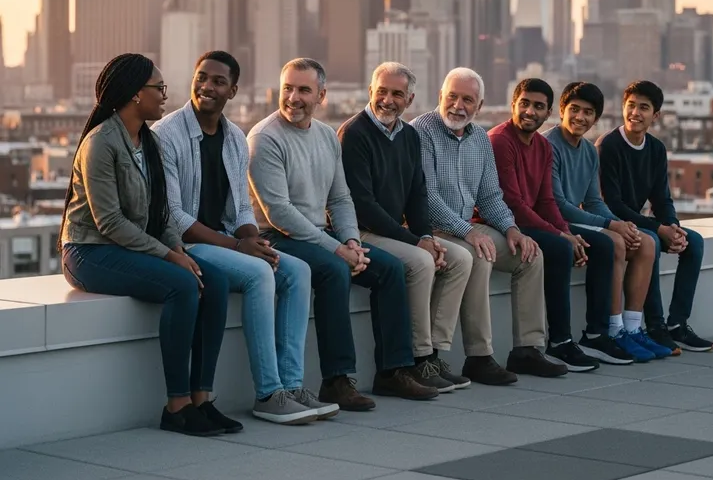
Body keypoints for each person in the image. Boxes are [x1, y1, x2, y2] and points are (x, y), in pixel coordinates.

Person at [59, 54, 240, 437]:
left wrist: (181, 252)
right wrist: (170, 256)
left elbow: (161, 216)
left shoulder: (150, 142)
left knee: (216, 282)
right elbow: (109, 222)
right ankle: (176, 407)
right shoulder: (101, 143)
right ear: (134, 94)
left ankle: (201, 400)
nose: (164, 96)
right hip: (89, 251)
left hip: (129, 246)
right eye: (158, 89)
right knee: (182, 285)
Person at [248, 58, 438, 412]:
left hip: (321, 235)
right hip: (276, 237)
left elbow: (340, 197)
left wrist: (351, 240)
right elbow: (279, 212)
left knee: (390, 269)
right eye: (288, 88)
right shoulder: (264, 137)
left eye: (304, 90)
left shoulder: (324, 135)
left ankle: (393, 370)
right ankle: (337, 380)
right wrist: (337, 250)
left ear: (321, 95)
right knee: (334, 271)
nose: (293, 97)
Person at [153, 51, 331, 425]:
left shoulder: (234, 138)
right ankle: (268, 393)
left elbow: (241, 210)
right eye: (202, 77)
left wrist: (253, 240)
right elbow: (172, 216)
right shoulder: (165, 135)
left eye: (218, 81)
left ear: (232, 90)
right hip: (186, 245)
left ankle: (292, 387)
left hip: (223, 241)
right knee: (258, 274)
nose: (207, 86)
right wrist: (239, 247)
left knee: (296, 271)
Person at [411, 68, 568, 385]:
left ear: (479, 106)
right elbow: (427, 198)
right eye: (452, 96)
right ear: (440, 96)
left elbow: (491, 196)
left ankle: (526, 348)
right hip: (431, 229)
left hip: (466, 227)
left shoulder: (480, 139)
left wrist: (512, 229)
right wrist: (469, 232)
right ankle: (476, 356)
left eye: (467, 99)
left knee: (529, 255)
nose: (458, 105)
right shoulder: (421, 132)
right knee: (479, 255)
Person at [338, 62, 473, 393]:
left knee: (460, 259)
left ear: (409, 100)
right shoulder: (354, 134)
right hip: (362, 230)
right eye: (381, 91)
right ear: (370, 92)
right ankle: (417, 358)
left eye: (397, 94)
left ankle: (434, 355)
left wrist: (425, 235)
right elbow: (363, 205)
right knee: (421, 261)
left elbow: (417, 194)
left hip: (394, 232)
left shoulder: (409, 135)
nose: (387, 100)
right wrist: (415, 242)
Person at [543, 82, 673, 363]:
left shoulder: (589, 151)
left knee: (646, 242)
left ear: (596, 118)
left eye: (588, 112)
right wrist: (612, 226)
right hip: (556, 221)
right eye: (574, 110)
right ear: (562, 111)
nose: (580, 117)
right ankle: (609, 331)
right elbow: (559, 205)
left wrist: (623, 224)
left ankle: (632, 328)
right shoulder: (548, 146)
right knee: (614, 241)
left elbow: (593, 201)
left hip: (578, 219)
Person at [489, 78, 610, 372]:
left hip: (530, 221)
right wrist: (560, 235)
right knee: (557, 248)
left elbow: (546, 201)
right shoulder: (499, 140)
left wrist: (569, 234)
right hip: (502, 222)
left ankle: (597, 334)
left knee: (601, 245)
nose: (531, 111)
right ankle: (559, 341)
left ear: (547, 112)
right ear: (513, 105)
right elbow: (513, 203)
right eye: (525, 104)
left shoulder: (543, 146)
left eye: (538, 106)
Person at [596, 80, 713, 353]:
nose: (635, 113)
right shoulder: (608, 146)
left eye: (644, 108)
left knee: (693, 242)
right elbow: (611, 204)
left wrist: (673, 226)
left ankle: (677, 325)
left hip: (639, 222)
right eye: (631, 106)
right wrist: (658, 228)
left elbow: (662, 198)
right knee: (649, 239)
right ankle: (656, 327)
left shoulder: (656, 149)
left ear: (655, 115)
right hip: (615, 224)